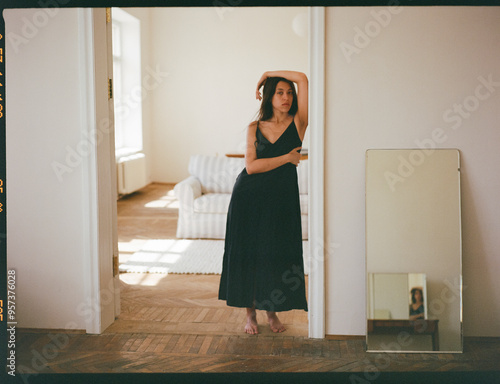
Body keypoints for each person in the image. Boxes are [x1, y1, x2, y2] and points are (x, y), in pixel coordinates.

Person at [218, 70, 309, 335]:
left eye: (289, 93)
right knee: (249, 255)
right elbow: (252, 167)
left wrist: (268, 74)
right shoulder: (254, 128)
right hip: (249, 196)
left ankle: (273, 312)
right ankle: (250, 316)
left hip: (281, 199)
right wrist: (287, 158)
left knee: (276, 254)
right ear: (268, 97)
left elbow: (302, 78)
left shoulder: (299, 123)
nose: (287, 97)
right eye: (279, 92)